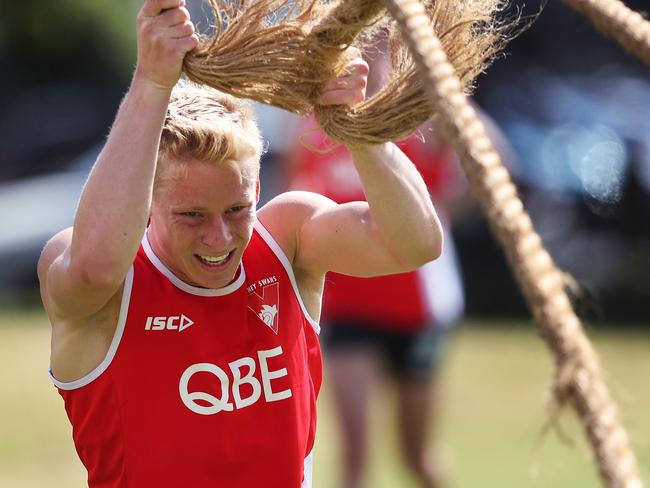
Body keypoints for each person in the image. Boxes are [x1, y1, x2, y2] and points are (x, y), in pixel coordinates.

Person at [37, 1, 443, 487]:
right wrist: (151, 82)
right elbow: (91, 272)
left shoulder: (288, 240)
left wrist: (357, 131)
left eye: (236, 210)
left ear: (256, 191)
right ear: (147, 204)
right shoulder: (106, 287)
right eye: (191, 216)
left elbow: (415, 243)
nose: (219, 237)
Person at [281, 42, 466, 488]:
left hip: (415, 308)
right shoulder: (312, 124)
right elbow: (297, 191)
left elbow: (471, 174)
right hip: (347, 305)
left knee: (417, 457)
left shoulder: (419, 114)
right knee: (353, 457)